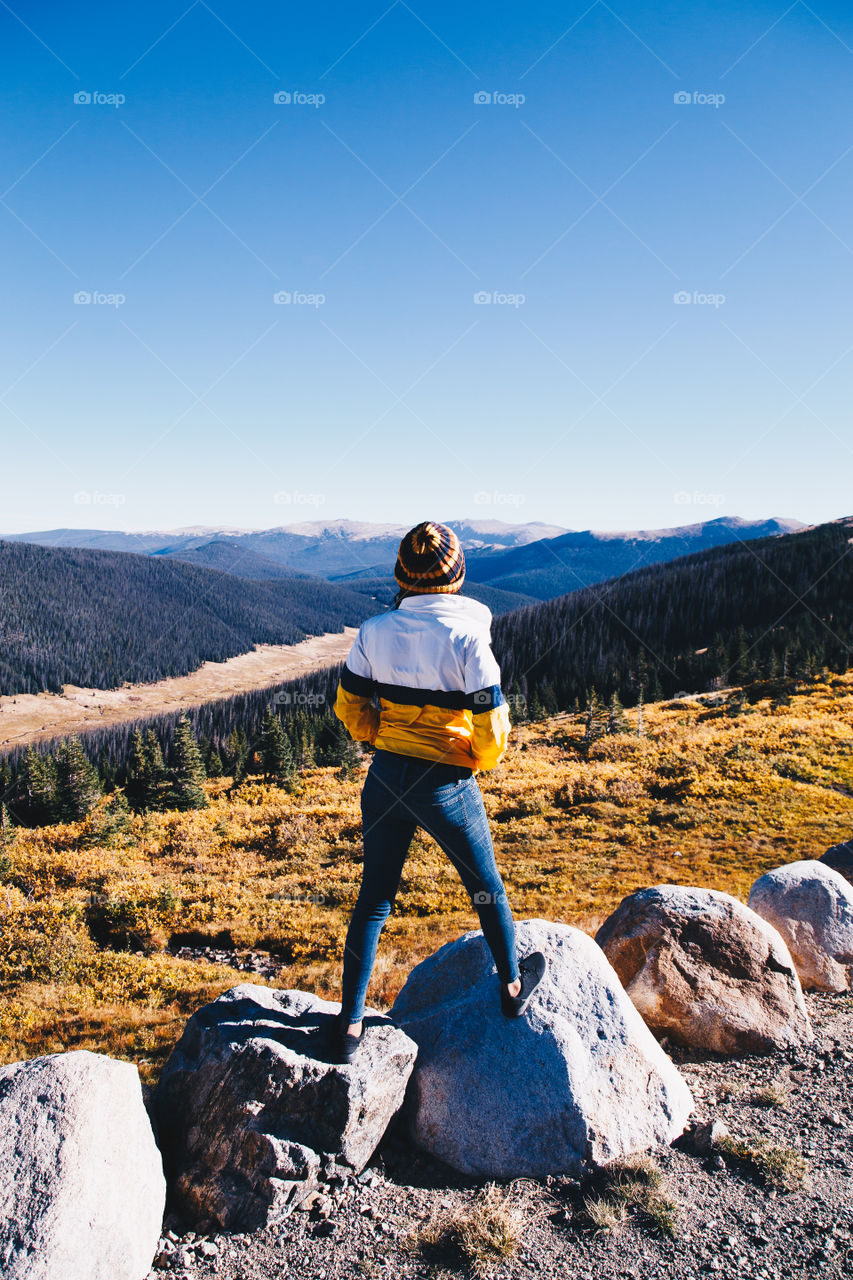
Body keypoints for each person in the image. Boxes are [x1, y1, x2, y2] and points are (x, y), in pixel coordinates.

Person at [330, 519, 546, 1063]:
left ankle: (350, 1025)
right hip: (446, 780)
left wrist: (378, 735)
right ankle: (513, 988)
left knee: (374, 898)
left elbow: (349, 707)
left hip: (384, 777)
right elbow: (491, 722)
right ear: (458, 576)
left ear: (402, 575)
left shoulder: (373, 630)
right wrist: (477, 759)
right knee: (484, 887)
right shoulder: (471, 636)